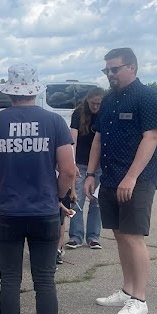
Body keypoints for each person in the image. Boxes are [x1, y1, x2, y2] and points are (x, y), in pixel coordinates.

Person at [0, 63, 76, 314]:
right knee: (45, 280)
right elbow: (69, 169)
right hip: (44, 211)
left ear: (10, 91)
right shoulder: (55, 122)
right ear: (36, 90)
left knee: (10, 280)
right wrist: (57, 196)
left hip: (7, 211)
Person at [83, 48, 157, 314]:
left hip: (138, 179)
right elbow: (97, 139)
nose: (110, 74)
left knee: (132, 235)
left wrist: (131, 177)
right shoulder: (107, 101)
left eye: (114, 69)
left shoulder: (148, 97)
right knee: (118, 233)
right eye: (106, 70)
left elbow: (151, 138)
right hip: (110, 176)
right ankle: (127, 289)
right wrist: (91, 173)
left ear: (132, 67)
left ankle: (140, 298)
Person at [65, 88, 105, 250]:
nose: (95, 106)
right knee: (77, 200)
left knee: (96, 202)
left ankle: (93, 237)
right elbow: (72, 139)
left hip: (101, 165)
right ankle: (76, 236)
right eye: (93, 103)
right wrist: (72, 163)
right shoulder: (78, 113)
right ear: (87, 100)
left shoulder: (106, 112)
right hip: (81, 162)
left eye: (98, 103)